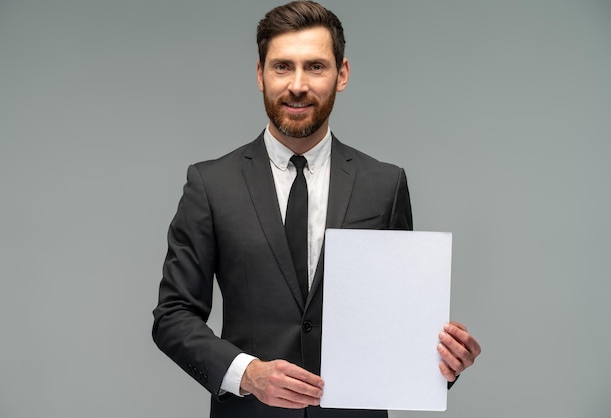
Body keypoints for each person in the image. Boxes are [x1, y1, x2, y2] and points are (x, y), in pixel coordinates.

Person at [152, 1, 481, 417]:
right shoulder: (210, 184)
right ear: (260, 74)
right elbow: (172, 316)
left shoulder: (385, 185)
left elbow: (397, 321)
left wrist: (446, 364)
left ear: (341, 74)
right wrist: (248, 373)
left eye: (316, 67)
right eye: (282, 66)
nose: (298, 85)